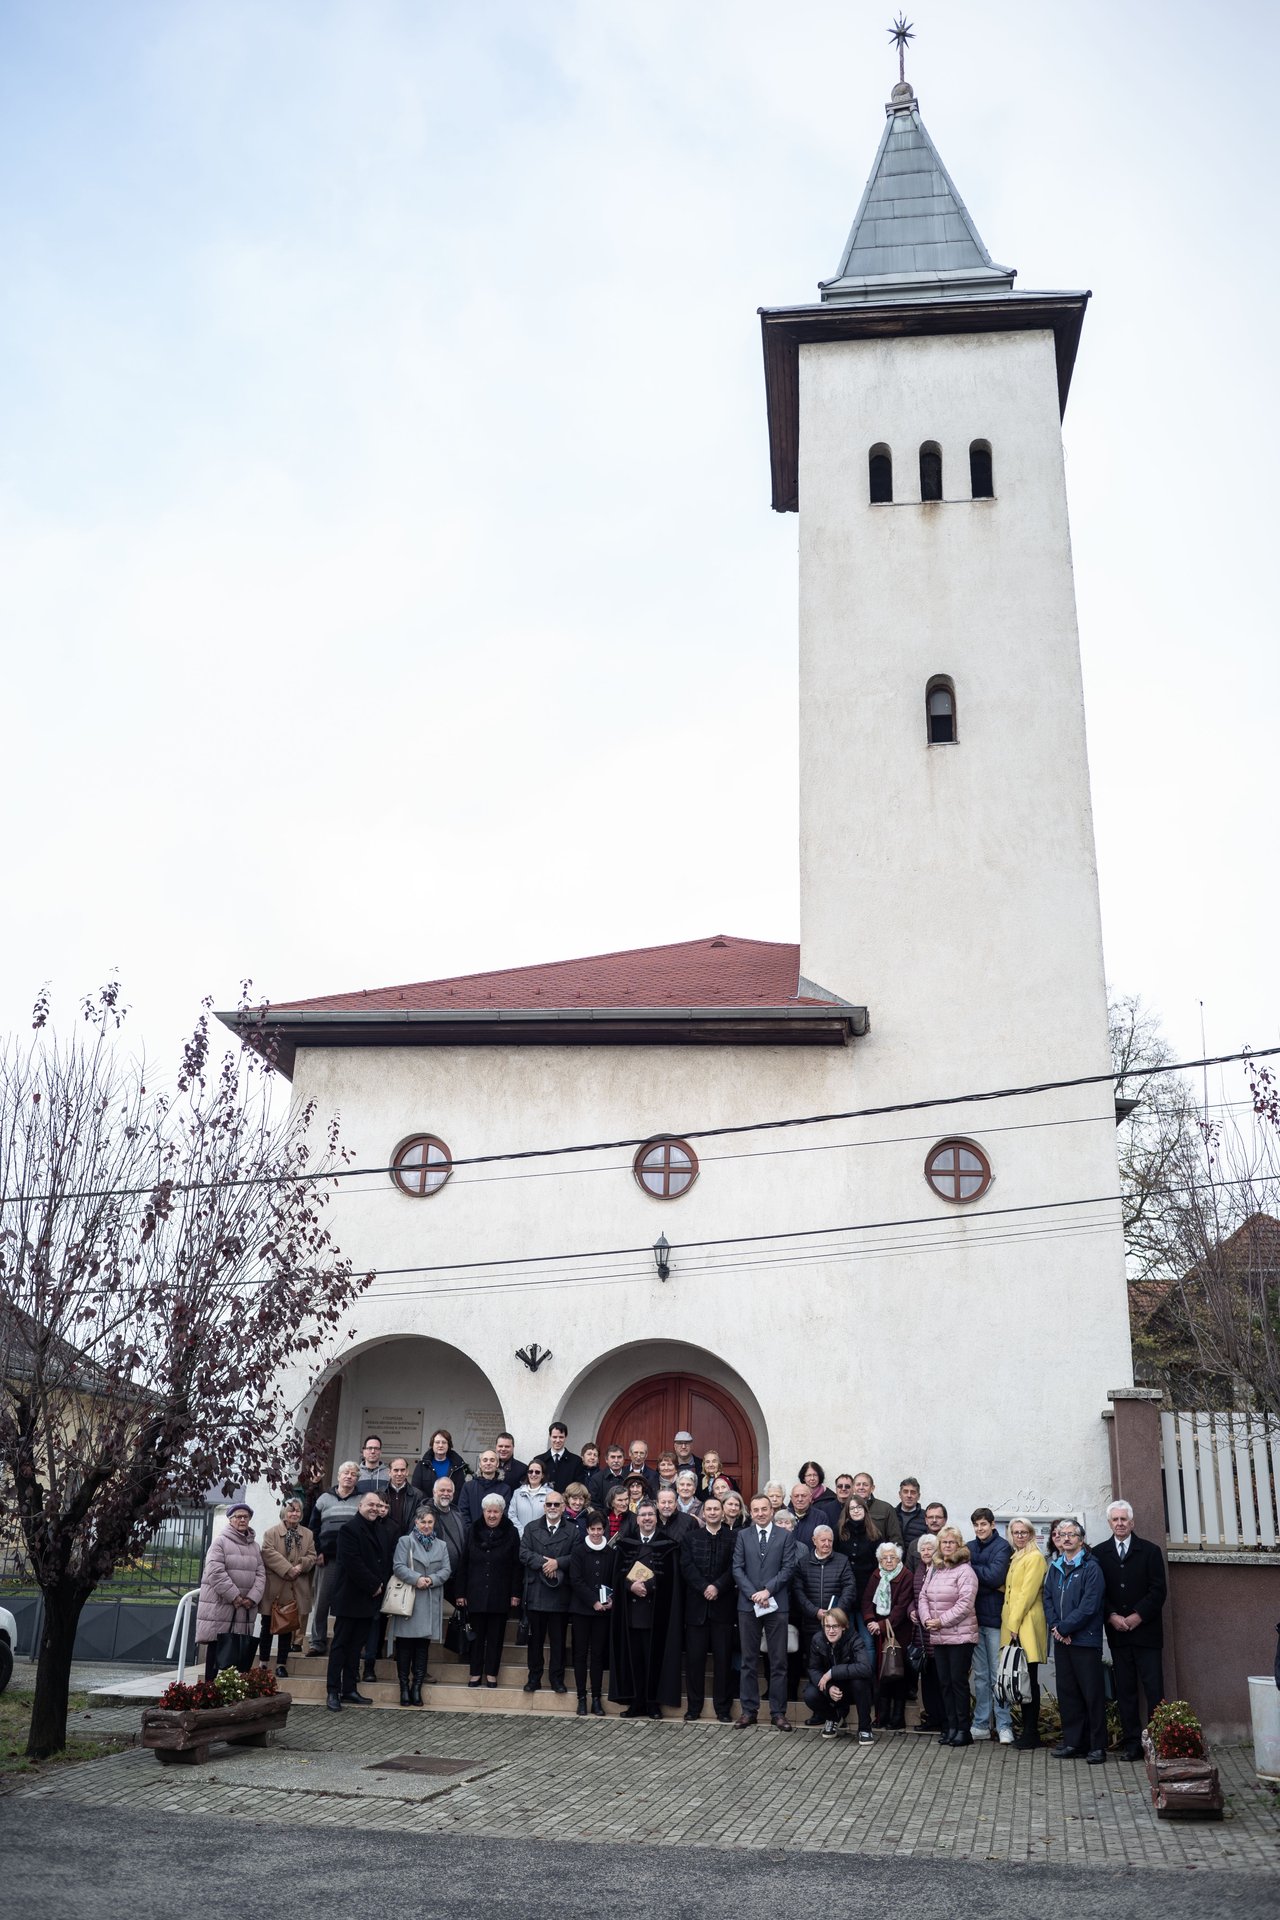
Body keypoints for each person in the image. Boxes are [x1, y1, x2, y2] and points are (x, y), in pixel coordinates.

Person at [1091, 1498, 1167, 1760]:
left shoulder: (1150, 1551)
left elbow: (1158, 1590)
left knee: (1154, 1690)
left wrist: (1138, 1616)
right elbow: (1098, 1592)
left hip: (1146, 1634)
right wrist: (1111, 1615)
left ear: (1132, 1523)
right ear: (1109, 1523)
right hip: (1118, 1634)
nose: (1120, 1523)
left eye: (1124, 1519)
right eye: (1115, 1519)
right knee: (1125, 1691)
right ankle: (1132, 1743)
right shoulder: (1099, 1553)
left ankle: (1158, 1742)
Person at [610, 1499, 684, 1717]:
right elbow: (616, 1576)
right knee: (634, 1660)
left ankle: (653, 1704)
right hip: (631, 1614)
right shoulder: (625, 1544)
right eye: (643, 1515)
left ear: (657, 1517)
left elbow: (673, 1579)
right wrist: (629, 1586)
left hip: (656, 1613)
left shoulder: (668, 1545)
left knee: (654, 1659)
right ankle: (636, 1703)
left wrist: (650, 1586)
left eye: (651, 1514)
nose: (647, 1518)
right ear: (637, 1519)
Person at [1044, 1517, 1107, 1764]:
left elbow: (1089, 1605)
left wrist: (1065, 1628)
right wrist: (1056, 1627)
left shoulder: (1092, 1568)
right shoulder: (1056, 1567)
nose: (1066, 1538)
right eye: (1062, 1535)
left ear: (1081, 1540)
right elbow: (1047, 1598)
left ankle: (1097, 1746)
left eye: (1072, 1534)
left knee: (1091, 1694)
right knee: (1068, 1693)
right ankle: (1074, 1742)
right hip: (1062, 1640)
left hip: (1085, 1640)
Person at [732, 1492, 797, 1730]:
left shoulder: (785, 1536)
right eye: (756, 1510)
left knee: (778, 1661)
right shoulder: (743, 1536)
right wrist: (754, 1594)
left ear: (772, 1511)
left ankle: (778, 1713)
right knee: (748, 1661)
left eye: (764, 1509)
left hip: (776, 1605)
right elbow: (737, 1568)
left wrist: (768, 1591)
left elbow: (788, 1568)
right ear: (751, 1512)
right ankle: (749, 1711)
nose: (760, 1513)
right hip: (748, 1605)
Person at [325, 1492, 387, 1711]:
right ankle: (333, 1691)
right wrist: (374, 1584)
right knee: (341, 1646)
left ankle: (349, 1689)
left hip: (369, 1599)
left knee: (356, 1647)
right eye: (370, 1504)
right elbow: (352, 1562)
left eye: (377, 1505)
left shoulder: (379, 1529)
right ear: (360, 1505)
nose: (374, 1508)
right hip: (350, 1597)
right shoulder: (349, 1529)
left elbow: (382, 1560)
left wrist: (380, 1585)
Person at [919, 1525, 978, 1748]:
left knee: (957, 1683)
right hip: (938, 1635)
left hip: (960, 1637)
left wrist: (941, 1621)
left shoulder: (965, 1571)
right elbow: (923, 1597)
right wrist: (927, 1619)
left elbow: (965, 1604)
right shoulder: (934, 1569)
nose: (947, 1546)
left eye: (951, 1542)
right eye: (944, 1542)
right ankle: (951, 1728)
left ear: (959, 1545)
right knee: (944, 1683)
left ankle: (963, 1730)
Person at [454, 1494, 523, 1687]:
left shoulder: (511, 1532)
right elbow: (464, 1562)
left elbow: (517, 1566)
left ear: (502, 1512)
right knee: (476, 1637)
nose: (492, 1515)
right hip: (475, 1592)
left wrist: (515, 1593)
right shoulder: (473, 1530)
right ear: (483, 1511)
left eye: (496, 1511)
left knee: (496, 1637)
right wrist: (460, 1593)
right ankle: (475, 1673)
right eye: (489, 1511)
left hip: (500, 1593)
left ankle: (492, 1673)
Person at [680, 1494, 737, 1723]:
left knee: (723, 1662)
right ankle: (694, 1707)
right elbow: (686, 1566)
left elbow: (735, 1567)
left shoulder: (734, 1538)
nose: (712, 1512)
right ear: (703, 1513)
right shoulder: (691, 1538)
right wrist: (705, 1587)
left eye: (716, 1509)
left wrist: (717, 1587)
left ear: (723, 1513)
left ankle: (723, 1709)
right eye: (709, 1509)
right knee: (694, 1661)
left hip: (723, 1609)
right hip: (696, 1609)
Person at [197, 1501, 265, 1681]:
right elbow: (215, 1571)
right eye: (238, 1517)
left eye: (246, 1517)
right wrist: (234, 1596)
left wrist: (252, 1598)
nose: (242, 1520)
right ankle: (209, 1688)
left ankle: (235, 1689)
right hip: (222, 1605)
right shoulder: (220, 1542)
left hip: (245, 1606)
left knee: (240, 1650)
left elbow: (261, 1574)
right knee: (216, 1646)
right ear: (230, 1519)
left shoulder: (255, 1546)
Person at [390, 1505, 451, 1704]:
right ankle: (404, 1688)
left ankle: (417, 1687)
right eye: (423, 1521)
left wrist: (431, 1579)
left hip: (429, 1599)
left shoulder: (441, 1545)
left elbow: (446, 1570)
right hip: (409, 1600)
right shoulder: (405, 1541)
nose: (426, 1525)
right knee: (405, 1646)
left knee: (422, 1647)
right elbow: (398, 1566)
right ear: (416, 1522)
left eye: (430, 1522)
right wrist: (417, 1579)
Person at [519, 1486, 574, 1694]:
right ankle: (534, 1678)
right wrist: (545, 1563)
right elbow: (523, 1553)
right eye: (549, 1504)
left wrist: (557, 1563)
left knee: (558, 1641)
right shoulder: (531, 1528)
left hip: (559, 1593)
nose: (552, 1507)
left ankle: (557, 1679)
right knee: (535, 1641)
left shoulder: (572, 1531)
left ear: (563, 1507)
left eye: (556, 1504)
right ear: (544, 1507)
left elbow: (577, 1556)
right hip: (536, 1592)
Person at [967, 1506, 1014, 1743]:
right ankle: (981, 1724)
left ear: (992, 1525)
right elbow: (968, 1578)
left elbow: (996, 1577)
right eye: (976, 1525)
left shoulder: (1003, 1547)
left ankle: (1004, 1725)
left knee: (998, 1675)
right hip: (974, 1619)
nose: (980, 1529)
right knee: (981, 1676)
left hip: (996, 1620)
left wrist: (971, 1570)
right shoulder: (969, 1546)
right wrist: (983, 1578)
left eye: (983, 1524)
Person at [1001, 1516, 1048, 1750]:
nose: (1019, 1536)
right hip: (1015, 1623)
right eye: (1016, 1532)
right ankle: (1027, 1730)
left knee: (1029, 1679)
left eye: (1023, 1532)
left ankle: (1031, 1732)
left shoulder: (1035, 1557)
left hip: (1026, 1623)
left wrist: (1014, 1624)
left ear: (1031, 1534)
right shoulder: (1017, 1556)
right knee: (1020, 1680)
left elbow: (1027, 1594)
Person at [307, 1460, 362, 1654]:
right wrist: (318, 1551)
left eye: (353, 1474)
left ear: (357, 1479)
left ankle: (342, 1643)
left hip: (351, 1560)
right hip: (327, 1559)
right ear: (338, 1476)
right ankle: (317, 1642)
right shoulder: (324, 1499)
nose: (349, 1477)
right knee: (322, 1603)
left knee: (347, 1603)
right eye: (346, 1473)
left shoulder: (362, 1500)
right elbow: (313, 1528)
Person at [258, 1497, 316, 1678]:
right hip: (275, 1588)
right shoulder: (271, 1533)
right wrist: (288, 1569)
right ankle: (263, 1663)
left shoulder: (308, 1534)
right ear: (284, 1513)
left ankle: (281, 1664)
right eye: (291, 1510)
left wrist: (300, 1566)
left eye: (298, 1510)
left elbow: (312, 1556)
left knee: (287, 1627)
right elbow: (268, 1553)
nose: (294, 1514)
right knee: (267, 1626)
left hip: (295, 1588)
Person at [568, 1508, 616, 1715]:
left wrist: (611, 1599)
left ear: (604, 1530)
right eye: (592, 1529)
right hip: (581, 1610)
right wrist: (593, 1601)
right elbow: (576, 1580)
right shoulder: (578, 1551)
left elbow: (614, 1579)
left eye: (599, 1529)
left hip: (602, 1613)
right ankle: (581, 1697)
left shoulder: (611, 1553)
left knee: (597, 1655)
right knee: (580, 1655)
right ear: (587, 1529)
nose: (596, 1533)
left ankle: (596, 1698)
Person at [862, 1539, 912, 1729]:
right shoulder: (877, 1575)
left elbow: (901, 1607)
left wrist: (882, 1625)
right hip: (879, 1632)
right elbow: (867, 1600)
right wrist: (870, 1620)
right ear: (879, 1560)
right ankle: (881, 1716)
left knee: (897, 1673)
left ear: (899, 1559)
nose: (889, 1561)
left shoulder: (906, 1575)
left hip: (899, 1631)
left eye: (892, 1557)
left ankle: (898, 1718)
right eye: (885, 1558)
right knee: (881, 1673)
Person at [804, 1607, 875, 1742]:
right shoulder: (817, 1639)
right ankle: (834, 1718)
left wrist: (833, 1672)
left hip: (851, 1688)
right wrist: (828, 1687)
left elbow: (865, 1668)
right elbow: (813, 1669)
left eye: (835, 1626)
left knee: (860, 1682)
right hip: (831, 1687)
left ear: (843, 1627)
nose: (831, 1631)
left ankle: (865, 1728)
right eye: (827, 1626)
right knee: (810, 1694)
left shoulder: (855, 1638)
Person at [791, 1524, 855, 1660]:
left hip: (836, 1623)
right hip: (811, 1623)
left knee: (837, 1661)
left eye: (830, 1540)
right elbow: (798, 1592)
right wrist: (815, 1612)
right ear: (814, 1540)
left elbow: (849, 1588)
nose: (827, 1544)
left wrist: (835, 1613)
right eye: (823, 1540)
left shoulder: (842, 1561)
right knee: (813, 1661)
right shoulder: (803, 1563)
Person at [909, 1533, 945, 1732]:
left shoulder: (941, 1568)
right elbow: (912, 1597)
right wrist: (911, 1611)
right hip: (921, 1633)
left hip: (937, 1629)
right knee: (928, 1677)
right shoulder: (919, 1569)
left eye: (929, 1548)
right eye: (922, 1549)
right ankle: (932, 1718)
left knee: (940, 1678)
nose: (925, 1552)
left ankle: (945, 1719)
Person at [837, 1495, 881, 1650]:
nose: (856, 1511)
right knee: (844, 1639)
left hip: (866, 1594)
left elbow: (878, 1565)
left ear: (865, 1509)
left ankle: (867, 1667)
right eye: (852, 1508)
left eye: (859, 1507)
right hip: (844, 1593)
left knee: (867, 1639)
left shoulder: (875, 1534)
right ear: (847, 1512)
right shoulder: (839, 1532)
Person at [412, 1428, 471, 1497]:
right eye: (437, 1442)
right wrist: (428, 1502)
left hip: (450, 1503)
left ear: (448, 1445)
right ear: (432, 1445)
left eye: (444, 1442)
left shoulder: (457, 1465)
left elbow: (460, 1490)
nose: (440, 1445)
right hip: (427, 1503)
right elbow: (416, 1489)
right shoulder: (422, 1466)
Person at [458, 1449, 511, 1526]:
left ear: (497, 1464)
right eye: (485, 1460)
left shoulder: (505, 1489)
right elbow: (463, 1512)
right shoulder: (468, 1487)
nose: (488, 1463)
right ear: (480, 1464)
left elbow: (504, 1514)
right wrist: (471, 1530)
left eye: (492, 1460)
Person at [850, 1472, 903, 1546]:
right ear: (853, 1488)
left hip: (879, 1552)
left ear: (872, 1488)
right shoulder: (847, 1508)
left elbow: (895, 1539)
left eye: (865, 1485)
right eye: (858, 1484)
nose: (861, 1487)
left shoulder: (886, 1509)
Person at [430, 1477, 467, 1581]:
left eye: (449, 1491)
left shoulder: (458, 1516)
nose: (446, 1494)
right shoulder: (425, 1515)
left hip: (456, 1578)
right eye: (442, 1490)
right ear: (434, 1492)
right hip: (433, 1578)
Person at [534, 1421, 583, 1494]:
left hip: (566, 1500)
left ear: (566, 1437)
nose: (558, 1440)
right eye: (554, 1437)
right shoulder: (539, 1460)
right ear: (550, 1437)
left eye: (561, 1437)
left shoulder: (576, 1461)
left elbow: (578, 1487)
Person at [508, 1459, 549, 1534]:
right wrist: (523, 1533)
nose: (533, 1474)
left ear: (542, 1475)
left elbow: (552, 1516)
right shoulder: (517, 1493)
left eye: (537, 1472)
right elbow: (512, 1515)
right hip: (521, 1537)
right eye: (530, 1471)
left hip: (542, 1537)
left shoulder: (550, 1494)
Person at [906, 1502, 948, 1570]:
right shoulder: (914, 1545)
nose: (934, 1520)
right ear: (926, 1520)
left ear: (945, 1520)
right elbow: (909, 1573)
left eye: (938, 1517)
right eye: (930, 1517)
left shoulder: (950, 1544)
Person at [798, 1463, 840, 1529]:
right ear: (803, 1478)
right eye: (809, 1475)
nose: (812, 1478)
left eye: (815, 1475)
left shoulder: (831, 1498)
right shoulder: (798, 1495)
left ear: (819, 1477)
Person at [895, 1479, 927, 1557]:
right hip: (893, 1561)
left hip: (916, 1561)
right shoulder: (891, 1514)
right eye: (905, 1492)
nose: (909, 1496)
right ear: (900, 1494)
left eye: (913, 1492)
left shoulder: (926, 1517)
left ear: (918, 1496)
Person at [590, 1444, 629, 1509]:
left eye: (619, 1457)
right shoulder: (596, 1479)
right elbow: (594, 1503)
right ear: (606, 1460)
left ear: (623, 1459)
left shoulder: (630, 1477)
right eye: (613, 1457)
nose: (616, 1460)